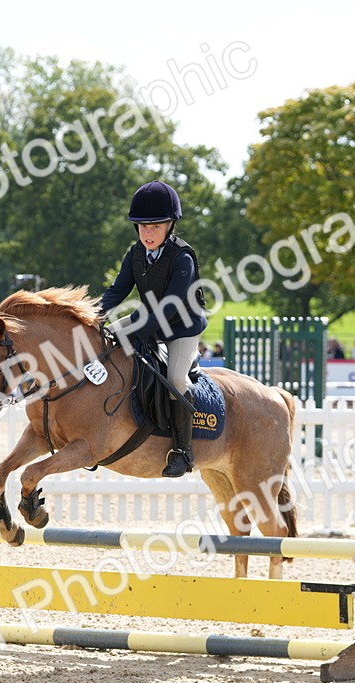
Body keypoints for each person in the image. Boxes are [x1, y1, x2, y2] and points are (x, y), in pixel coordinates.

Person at [99, 180, 207, 478]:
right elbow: (117, 291)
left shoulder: (182, 257)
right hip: (148, 316)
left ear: (170, 225)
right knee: (103, 341)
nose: (148, 233)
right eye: (143, 227)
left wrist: (135, 333)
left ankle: (184, 452)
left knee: (175, 377)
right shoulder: (135, 254)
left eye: (155, 227)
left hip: (182, 328)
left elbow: (169, 307)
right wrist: (96, 317)